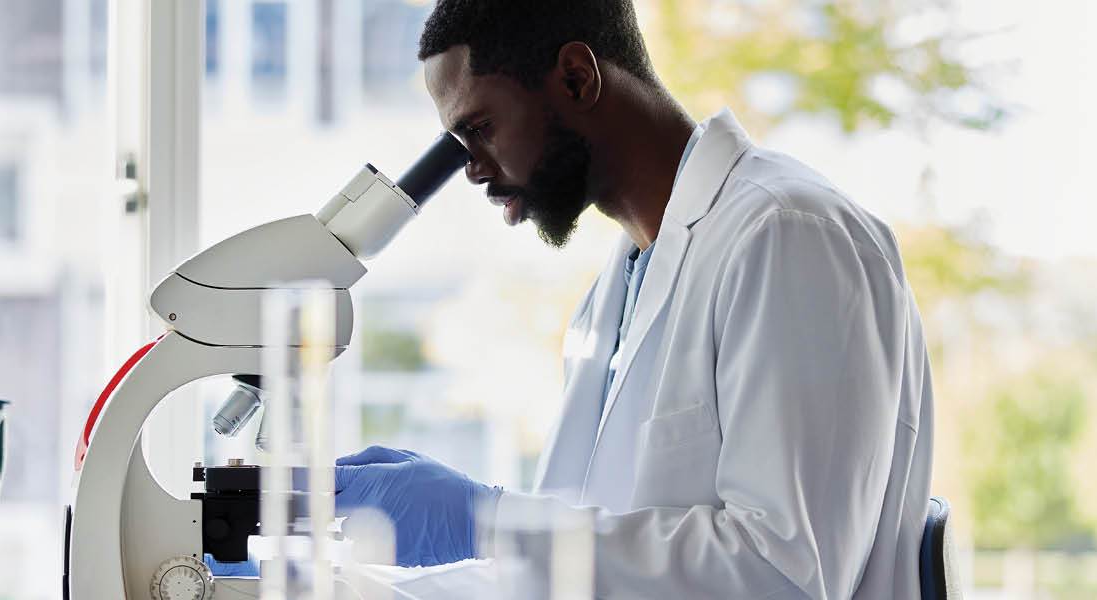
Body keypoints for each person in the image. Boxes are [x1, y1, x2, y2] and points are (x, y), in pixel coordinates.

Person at [328, 1, 936, 597]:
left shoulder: (788, 232)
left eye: (479, 129)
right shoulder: (613, 296)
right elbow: (573, 569)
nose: (473, 171)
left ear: (576, 76)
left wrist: (484, 521)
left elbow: (785, 574)